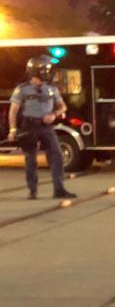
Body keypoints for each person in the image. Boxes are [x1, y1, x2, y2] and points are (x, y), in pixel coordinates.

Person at [6, 55, 77, 200]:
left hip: (46, 127)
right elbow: (13, 111)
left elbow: (63, 106)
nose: (48, 73)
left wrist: (53, 114)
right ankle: (33, 191)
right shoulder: (22, 89)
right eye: (46, 70)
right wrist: (13, 129)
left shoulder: (51, 89)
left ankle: (59, 189)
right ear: (36, 71)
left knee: (57, 156)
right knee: (31, 159)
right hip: (29, 126)